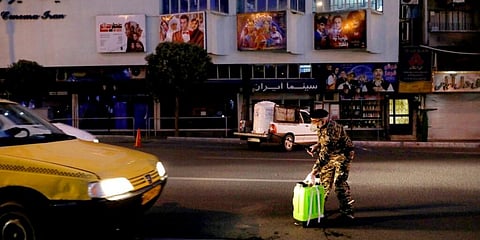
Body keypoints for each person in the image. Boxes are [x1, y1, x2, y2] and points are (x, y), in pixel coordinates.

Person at [306, 109, 355, 220]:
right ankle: (318, 210)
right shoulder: (322, 127)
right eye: (312, 121)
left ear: (323, 120)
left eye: (315, 121)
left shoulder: (331, 130)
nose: (313, 124)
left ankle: (347, 212)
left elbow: (325, 154)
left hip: (343, 155)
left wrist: (313, 172)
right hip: (331, 153)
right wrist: (316, 146)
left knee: (339, 183)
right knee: (324, 184)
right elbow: (323, 142)